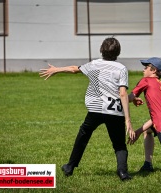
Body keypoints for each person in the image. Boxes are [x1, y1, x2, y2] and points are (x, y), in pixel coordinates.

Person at [39, 37, 135, 181]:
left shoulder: (94, 64)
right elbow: (122, 93)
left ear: (101, 50)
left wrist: (56, 69)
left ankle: (70, 166)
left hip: (96, 109)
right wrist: (127, 119)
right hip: (114, 111)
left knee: (84, 134)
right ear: (118, 52)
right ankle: (123, 173)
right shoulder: (121, 68)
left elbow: (73, 69)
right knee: (119, 144)